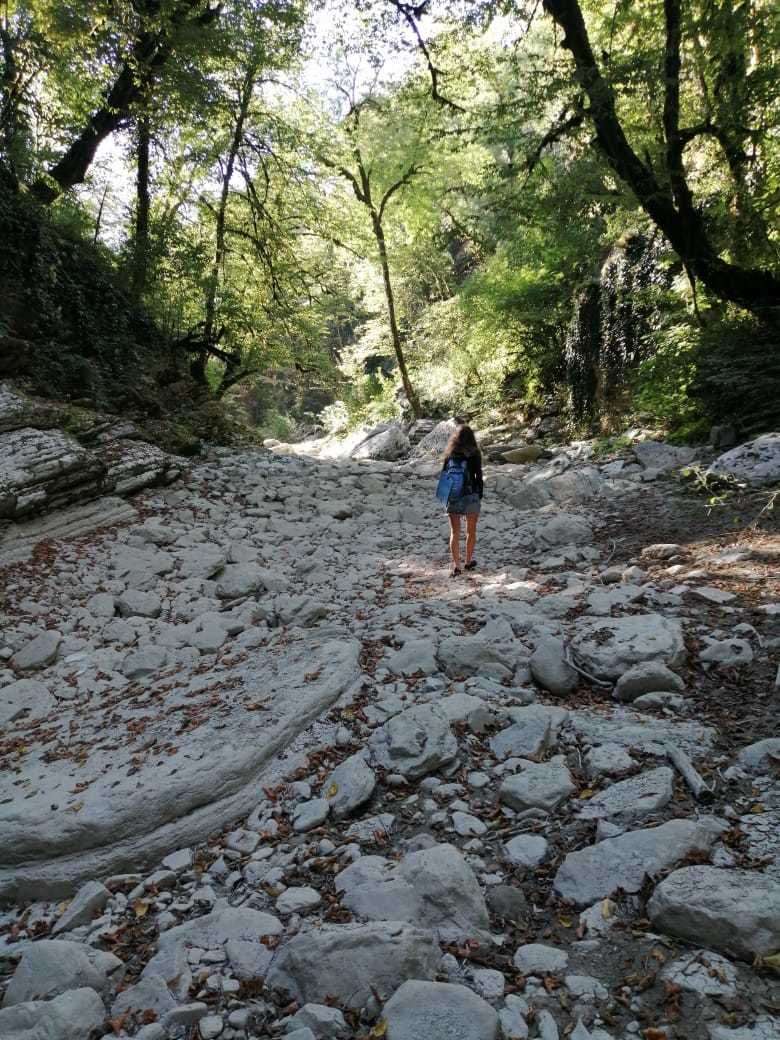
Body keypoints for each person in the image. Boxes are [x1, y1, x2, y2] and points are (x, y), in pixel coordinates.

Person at [440, 424, 483, 576]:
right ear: (471, 437)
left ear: (455, 438)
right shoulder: (475, 453)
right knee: (470, 532)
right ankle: (468, 562)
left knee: (455, 532)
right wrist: (479, 495)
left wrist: (445, 497)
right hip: (471, 496)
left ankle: (456, 566)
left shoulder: (450, 453)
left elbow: (444, 475)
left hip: (453, 497)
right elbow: (479, 476)